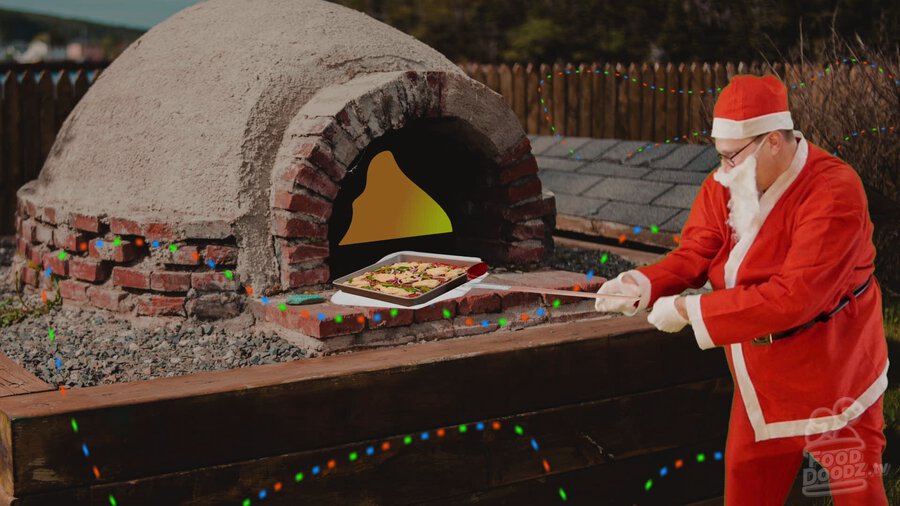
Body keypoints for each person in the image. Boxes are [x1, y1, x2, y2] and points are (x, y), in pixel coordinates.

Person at [595, 74, 889, 505]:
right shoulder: (726, 181)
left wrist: (689, 312)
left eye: (732, 157)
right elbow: (696, 250)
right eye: (720, 157)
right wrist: (641, 283)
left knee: (856, 491)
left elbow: (795, 296)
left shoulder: (834, 191)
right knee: (747, 484)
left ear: (772, 141)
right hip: (761, 378)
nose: (723, 170)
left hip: (835, 373)